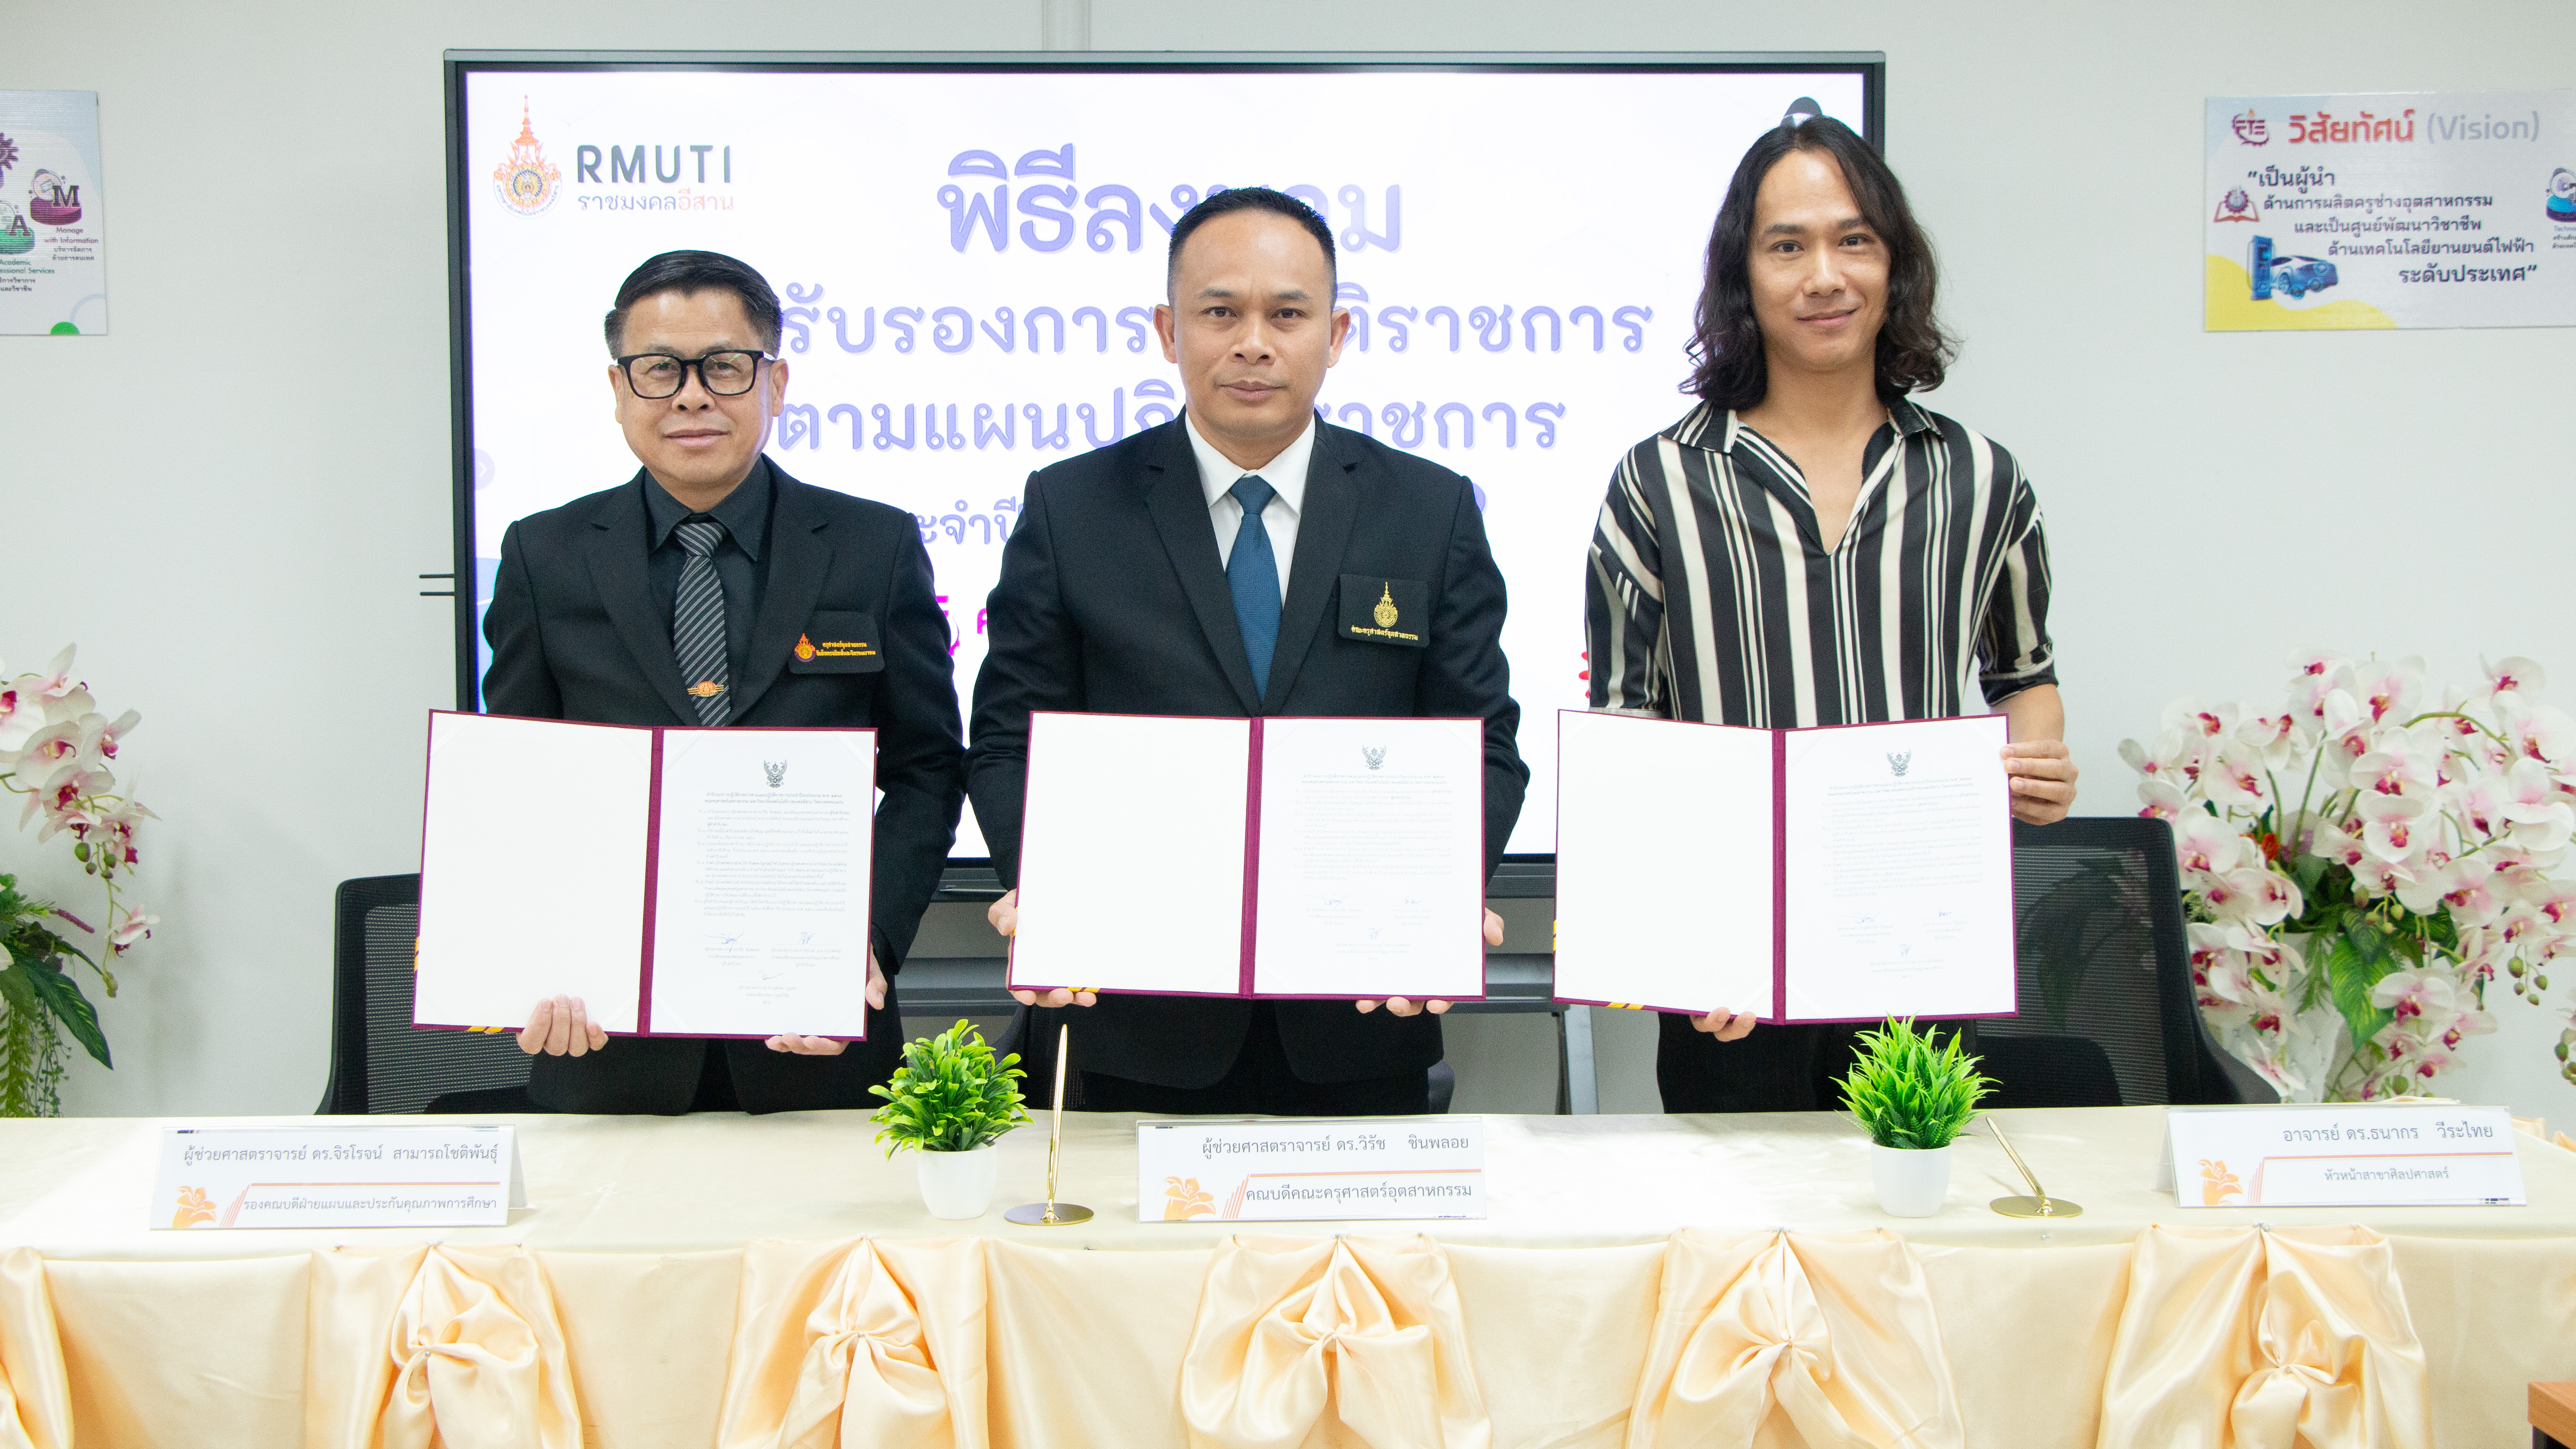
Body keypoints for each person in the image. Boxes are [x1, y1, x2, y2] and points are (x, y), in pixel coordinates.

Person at [967, 187, 1526, 1116]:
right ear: (1168, 330)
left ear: (1336, 334)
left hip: (1359, 1015)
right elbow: (1007, 741)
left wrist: (1439, 890)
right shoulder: (1072, 509)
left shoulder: (1429, 512)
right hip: (1131, 1012)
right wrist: (1051, 887)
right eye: (1220, 312)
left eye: (1288, 315)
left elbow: (1484, 744)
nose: (1254, 343)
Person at [1584, 117, 2079, 1113]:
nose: (1824, 276)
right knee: (1740, 1210)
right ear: (1743, 275)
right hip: (1730, 977)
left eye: (1854, 241)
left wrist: (2037, 770)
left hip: (1918, 954)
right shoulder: (1658, 482)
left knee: (1912, 1205)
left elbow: (2025, 678)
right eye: (1787, 246)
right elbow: (1626, 736)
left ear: (1896, 265)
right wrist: (1681, 945)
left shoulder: (1981, 477)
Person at [482, 249, 966, 1114]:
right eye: (659, 369)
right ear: (619, 388)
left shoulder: (873, 547)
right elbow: (519, 786)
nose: (691, 396)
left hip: (815, 1032)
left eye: (724, 367)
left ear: (775, 382)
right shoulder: (544, 555)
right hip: (606, 1037)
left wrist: (867, 937)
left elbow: (927, 769)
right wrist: (535, 955)